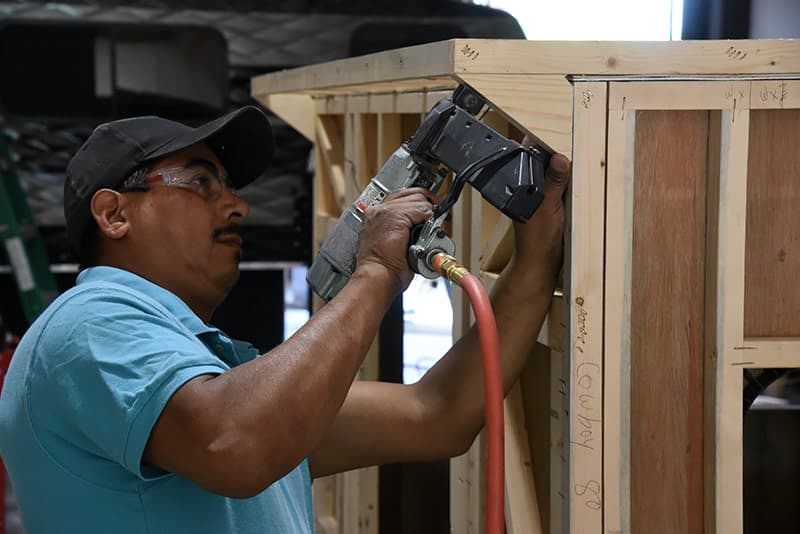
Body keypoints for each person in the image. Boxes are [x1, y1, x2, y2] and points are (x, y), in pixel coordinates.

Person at [0, 105, 570, 533]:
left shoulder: (215, 377)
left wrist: (538, 251)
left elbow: (437, 415)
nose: (237, 205)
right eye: (200, 182)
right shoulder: (87, 326)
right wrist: (374, 272)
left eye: (229, 187)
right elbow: (233, 442)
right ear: (114, 213)